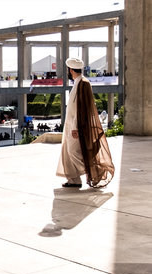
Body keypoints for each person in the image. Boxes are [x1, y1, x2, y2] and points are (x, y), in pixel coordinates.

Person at [57, 57, 114, 188]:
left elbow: (82, 107)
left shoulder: (83, 83)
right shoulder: (78, 82)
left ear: (70, 70)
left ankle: (96, 170)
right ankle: (74, 180)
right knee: (68, 151)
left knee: (74, 152)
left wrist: (76, 127)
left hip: (75, 126)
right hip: (70, 125)